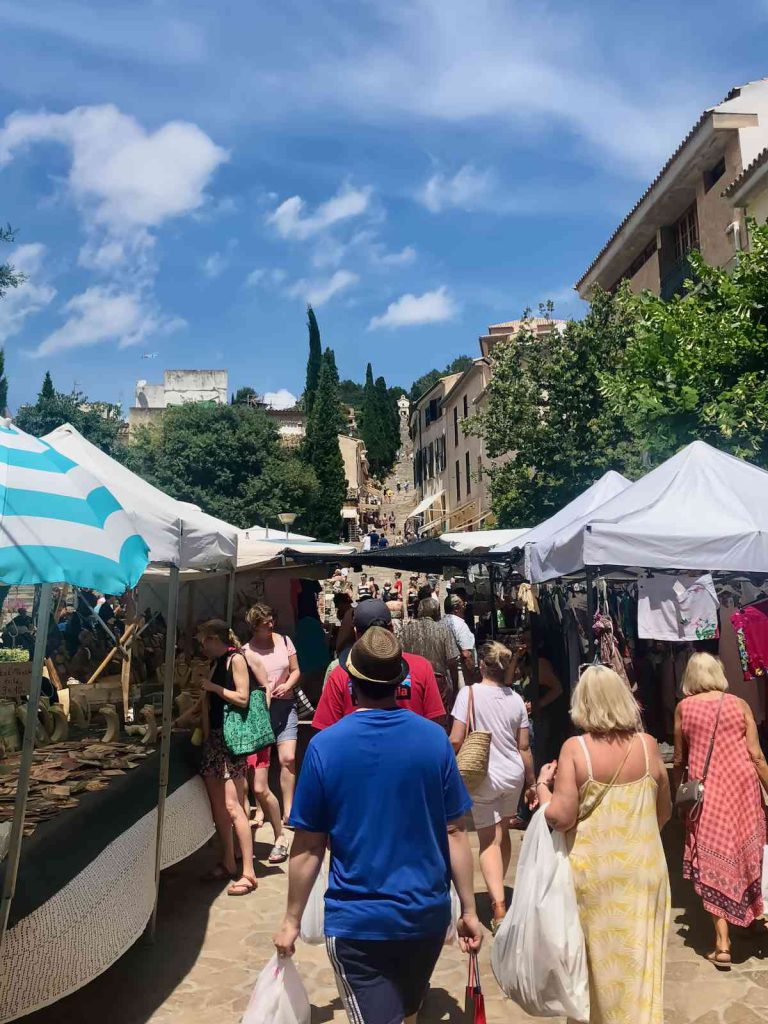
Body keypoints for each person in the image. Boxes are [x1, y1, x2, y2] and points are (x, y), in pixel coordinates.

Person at [274, 627, 482, 1024]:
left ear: (351, 683)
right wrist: (469, 908)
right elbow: (454, 831)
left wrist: (290, 921)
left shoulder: (325, 747)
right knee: (408, 1011)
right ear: (400, 683)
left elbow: (309, 846)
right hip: (425, 918)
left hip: (359, 924)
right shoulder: (433, 741)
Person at [536, 665, 671, 1024]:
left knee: (597, 968)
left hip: (595, 876)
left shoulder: (575, 749)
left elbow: (561, 816)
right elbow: (664, 811)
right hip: (645, 870)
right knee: (641, 963)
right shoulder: (647, 745)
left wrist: (542, 787)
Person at [674, 652, 768, 967]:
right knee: (746, 851)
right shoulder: (740, 705)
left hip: (708, 790)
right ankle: (754, 919)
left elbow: (678, 759)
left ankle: (723, 943)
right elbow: (756, 755)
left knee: (712, 856)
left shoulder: (684, 708)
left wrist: (679, 791)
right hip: (742, 788)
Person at [450, 642, 535, 932]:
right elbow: (524, 747)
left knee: (488, 840)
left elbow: (456, 738)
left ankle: (498, 907)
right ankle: (498, 887)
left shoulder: (468, 694)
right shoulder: (516, 699)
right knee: (503, 831)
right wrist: (532, 782)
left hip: (483, 775)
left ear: (482, 665)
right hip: (513, 774)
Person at [182, 619, 261, 896]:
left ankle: (248, 872)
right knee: (219, 810)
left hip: (230, 742)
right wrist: (178, 721)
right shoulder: (217, 664)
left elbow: (242, 698)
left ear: (215, 638)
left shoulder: (235, 660)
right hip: (215, 740)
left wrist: (213, 688)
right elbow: (203, 703)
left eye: (204, 640)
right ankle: (228, 862)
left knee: (233, 806)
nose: (202, 646)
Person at [313, 599, 446, 730]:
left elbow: (326, 728)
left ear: (356, 634)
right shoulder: (422, 667)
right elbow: (435, 723)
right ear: (392, 628)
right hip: (414, 748)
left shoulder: (340, 672)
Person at [242, 603, 301, 825]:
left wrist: (287, 686)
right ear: (254, 626)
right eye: (265, 622)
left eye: (271, 620)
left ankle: (289, 811)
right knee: (257, 765)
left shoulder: (285, 641)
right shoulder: (247, 651)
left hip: (286, 706)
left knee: (288, 758)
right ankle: (261, 809)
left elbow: (296, 670)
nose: (271, 624)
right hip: (260, 712)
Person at [399, 597, 459, 713]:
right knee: (439, 718)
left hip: (412, 680)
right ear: (437, 612)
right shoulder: (444, 630)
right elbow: (452, 661)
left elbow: (399, 657)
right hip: (438, 682)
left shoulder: (405, 631)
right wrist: (455, 687)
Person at [444, 594, 477, 683]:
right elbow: (466, 654)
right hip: (461, 674)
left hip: (445, 674)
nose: (465, 608)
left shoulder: (440, 623)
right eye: (463, 605)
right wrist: (474, 674)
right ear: (456, 608)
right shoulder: (461, 625)